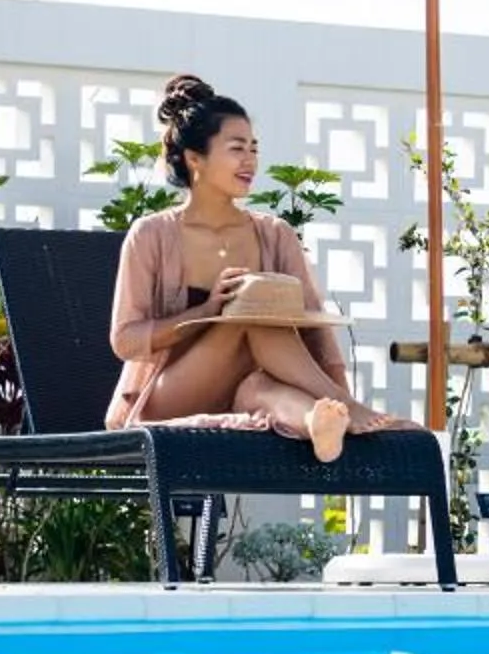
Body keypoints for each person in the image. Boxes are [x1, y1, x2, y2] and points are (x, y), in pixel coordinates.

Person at [106, 74, 413, 461]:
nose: (250, 160)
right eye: (237, 149)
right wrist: (206, 312)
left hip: (246, 390)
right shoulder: (151, 235)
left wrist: (340, 393)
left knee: (267, 389)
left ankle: (323, 420)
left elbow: (316, 330)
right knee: (252, 314)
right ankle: (344, 406)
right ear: (194, 158)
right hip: (170, 398)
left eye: (254, 148)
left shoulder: (275, 234)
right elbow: (125, 339)